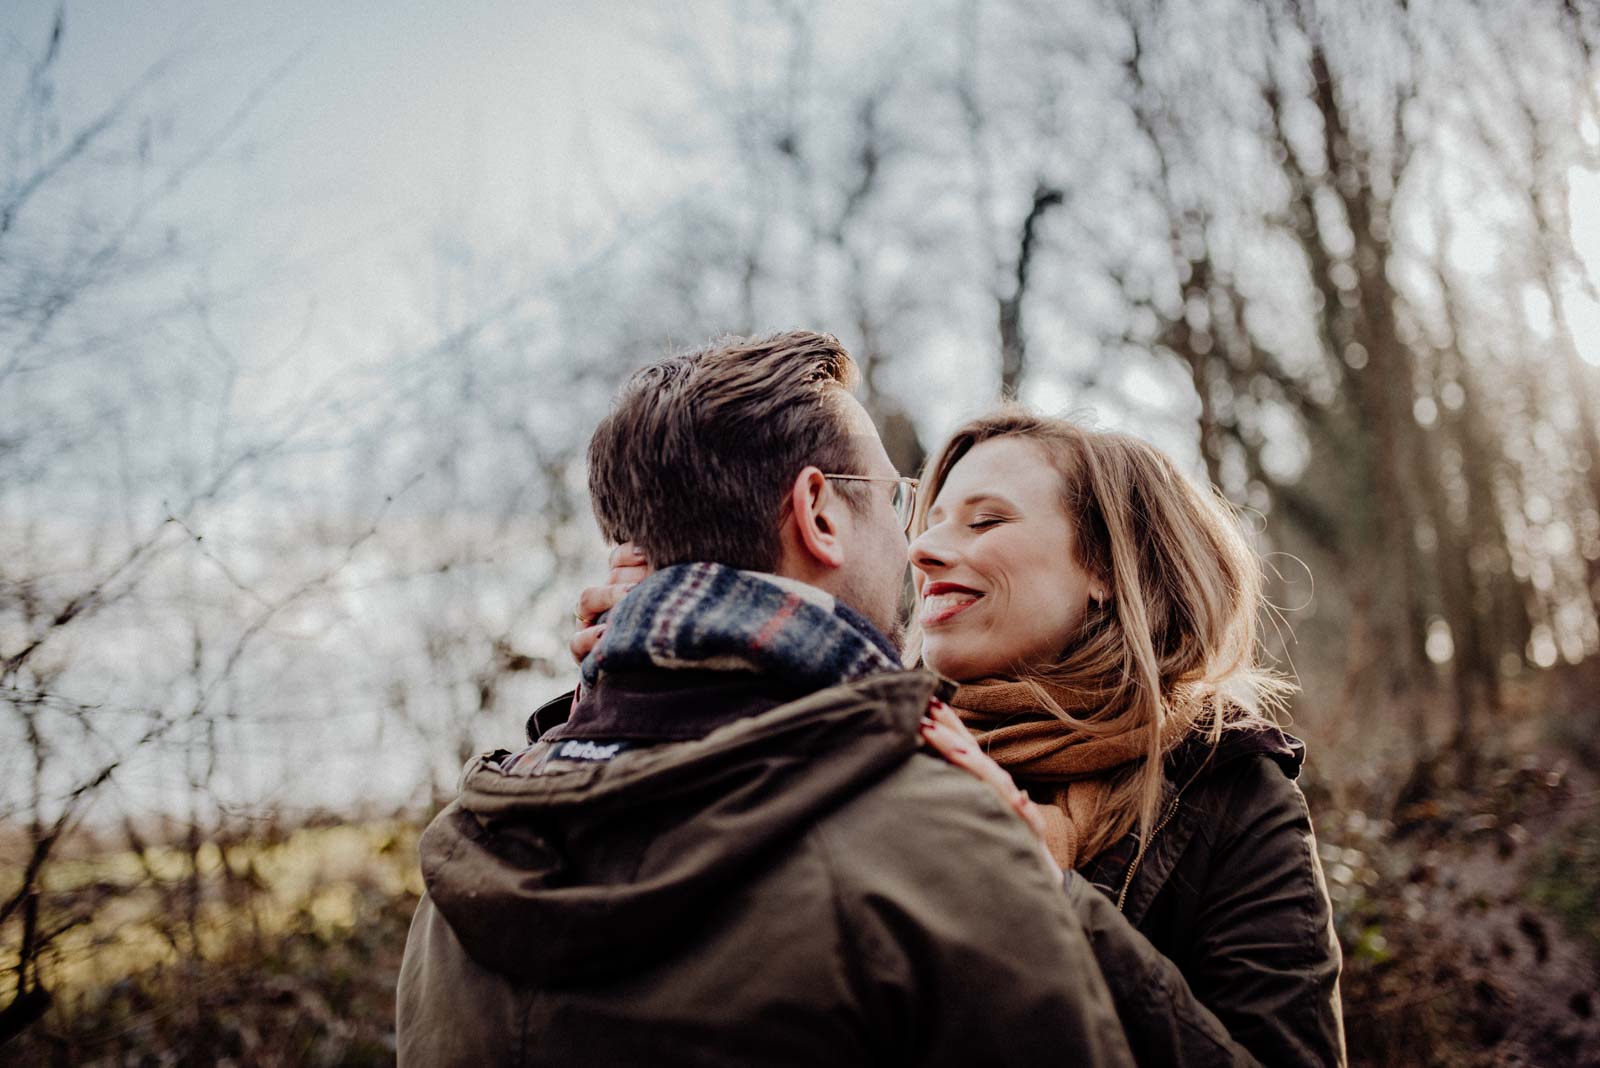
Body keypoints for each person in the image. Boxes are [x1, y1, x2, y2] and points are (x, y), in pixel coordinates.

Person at [395, 332, 1134, 1068]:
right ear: (818, 512)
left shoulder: (468, 856)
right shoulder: (932, 839)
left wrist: (623, 685)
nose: (913, 542)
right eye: (896, 498)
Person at [577, 406, 1347, 1067]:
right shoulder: (864, 739)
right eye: (928, 522)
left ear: (1108, 567)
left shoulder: (1230, 794)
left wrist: (1041, 888)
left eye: (985, 521)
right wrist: (624, 680)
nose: (921, 551)